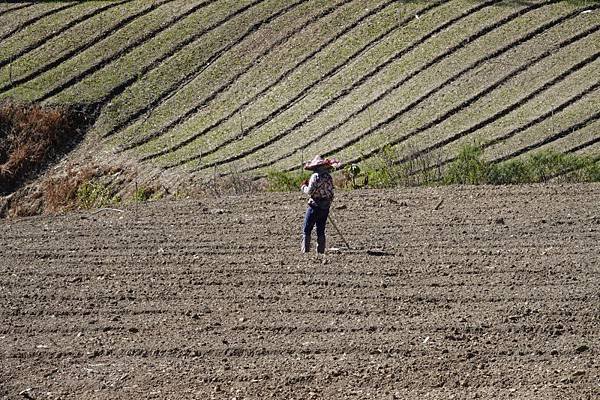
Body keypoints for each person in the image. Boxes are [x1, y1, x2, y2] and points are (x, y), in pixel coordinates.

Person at [300, 155, 338, 254]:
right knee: (320, 230)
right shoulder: (328, 177)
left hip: (314, 206)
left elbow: (309, 191)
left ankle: (305, 252)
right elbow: (331, 193)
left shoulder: (315, 176)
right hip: (325, 207)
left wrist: (303, 186)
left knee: (307, 229)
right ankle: (320, 252)